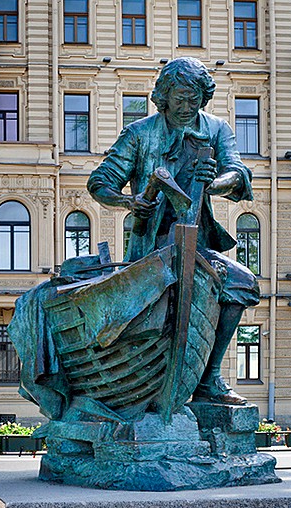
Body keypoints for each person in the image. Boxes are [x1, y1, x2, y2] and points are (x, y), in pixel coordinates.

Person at [87, 57, 258, 405]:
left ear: (203, 97)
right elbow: (100, 183)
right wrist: (130, 203)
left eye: (194, 98)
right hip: (152, 248)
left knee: (242, 283)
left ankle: (208, 381)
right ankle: (138, 386)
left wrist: (215, 182)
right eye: (179, 98)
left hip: (195, 244)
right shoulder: (139, 134)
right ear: (164, 96)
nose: (186, 106)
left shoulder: (216, 129)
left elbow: (238, 173)